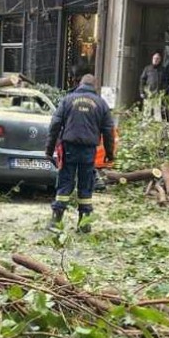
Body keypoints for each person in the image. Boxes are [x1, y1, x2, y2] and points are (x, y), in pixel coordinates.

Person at [45, 74, 115, 233]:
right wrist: (109, 154)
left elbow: (55, 125)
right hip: (88, 151)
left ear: (80, 84)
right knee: (86, 185)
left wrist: (49, 150)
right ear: (95, 86)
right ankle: (84, 224)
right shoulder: (101, 104)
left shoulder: (67, 100)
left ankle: (56, 221)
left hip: (68, 148)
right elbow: (108, 132)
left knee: (65, 182)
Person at [139, 51, 166, 121]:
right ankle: (145, 130)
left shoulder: (162, 70)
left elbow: (165, 82)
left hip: (157, 96)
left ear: (160, 60)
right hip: (148, 95)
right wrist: (142, 92)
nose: (156, 60)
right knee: (146, 113)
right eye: (154, 58)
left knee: (157, 114)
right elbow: (142, 80)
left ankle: (157, 130)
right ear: (152, 59)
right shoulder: (147, 68)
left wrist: (163, 92)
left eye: (157, 59)